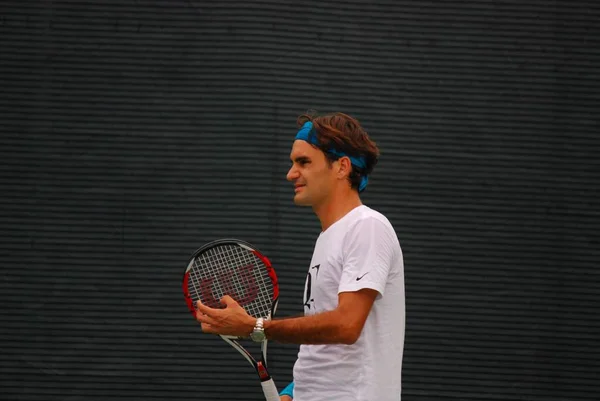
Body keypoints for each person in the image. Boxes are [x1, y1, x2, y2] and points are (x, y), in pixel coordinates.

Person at [195, 111, 406, 401]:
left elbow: (346, 325)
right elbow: (325, 345)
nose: (291, 173)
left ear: (342, 167)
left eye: (304, 162)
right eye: (293, 162)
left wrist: (255, 327)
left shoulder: (367, 227)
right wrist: (294, 393)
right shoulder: (328, 237)